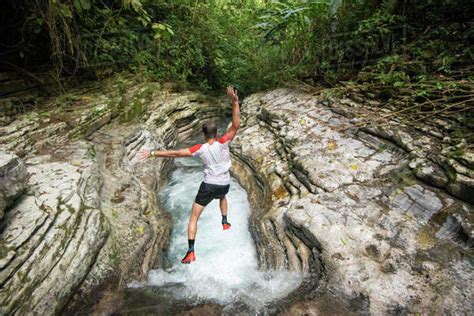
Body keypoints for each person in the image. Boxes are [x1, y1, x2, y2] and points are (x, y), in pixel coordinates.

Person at [139, 86, 240, 264]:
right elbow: (236, 124)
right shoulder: (224, 142)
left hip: (208, 185)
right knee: (223, 195)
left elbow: (176, 154)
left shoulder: (199, 149)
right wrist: (235, 101)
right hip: (224, 182)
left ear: (203, 134)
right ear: (216, 134)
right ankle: (224, 221)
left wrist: (153, 153)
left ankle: (191, 251)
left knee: (193, 217)